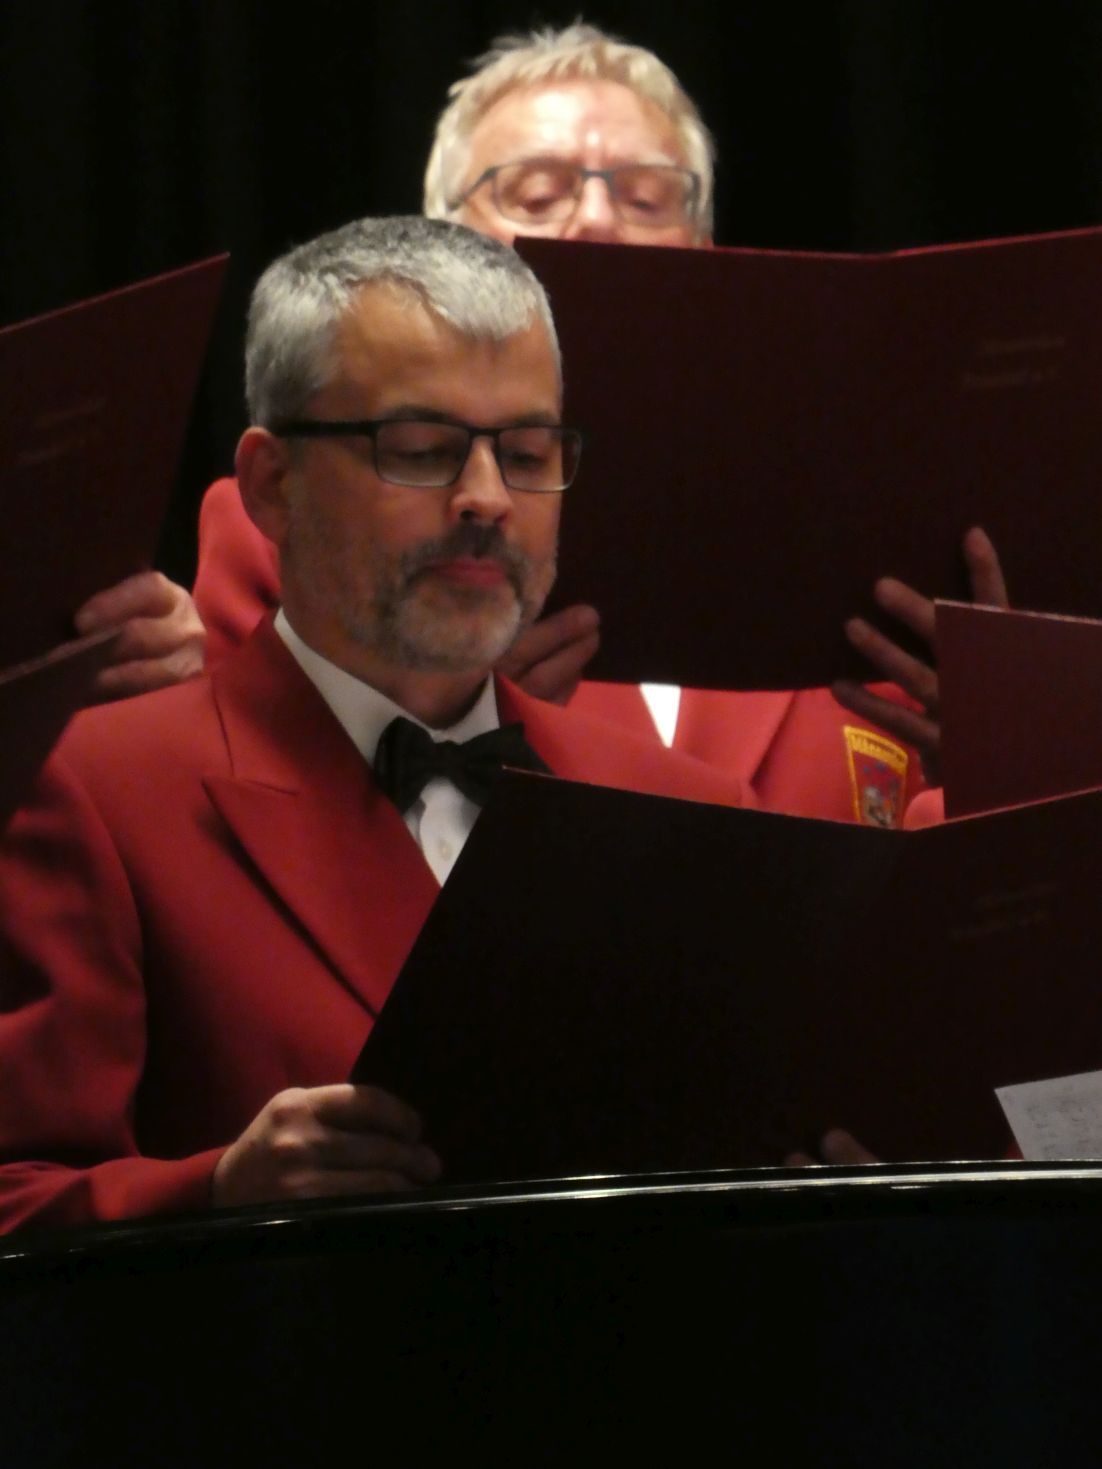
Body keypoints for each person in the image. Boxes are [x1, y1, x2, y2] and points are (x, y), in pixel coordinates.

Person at [0, 216, 757, 1233]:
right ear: (272, 485)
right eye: (422, 450)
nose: (487, 498)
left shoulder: (691, 808)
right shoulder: (92, 788)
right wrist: (215, 1190)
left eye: (527, 451)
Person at [192, 23, 1003, 824]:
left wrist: (994, 760)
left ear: (706, 250)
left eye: (645, 196)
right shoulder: (308, 517)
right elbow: (226, 822)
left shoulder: (866, 540)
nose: (595, 221)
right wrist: (441, 701)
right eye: (537, 193)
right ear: (439, 250)